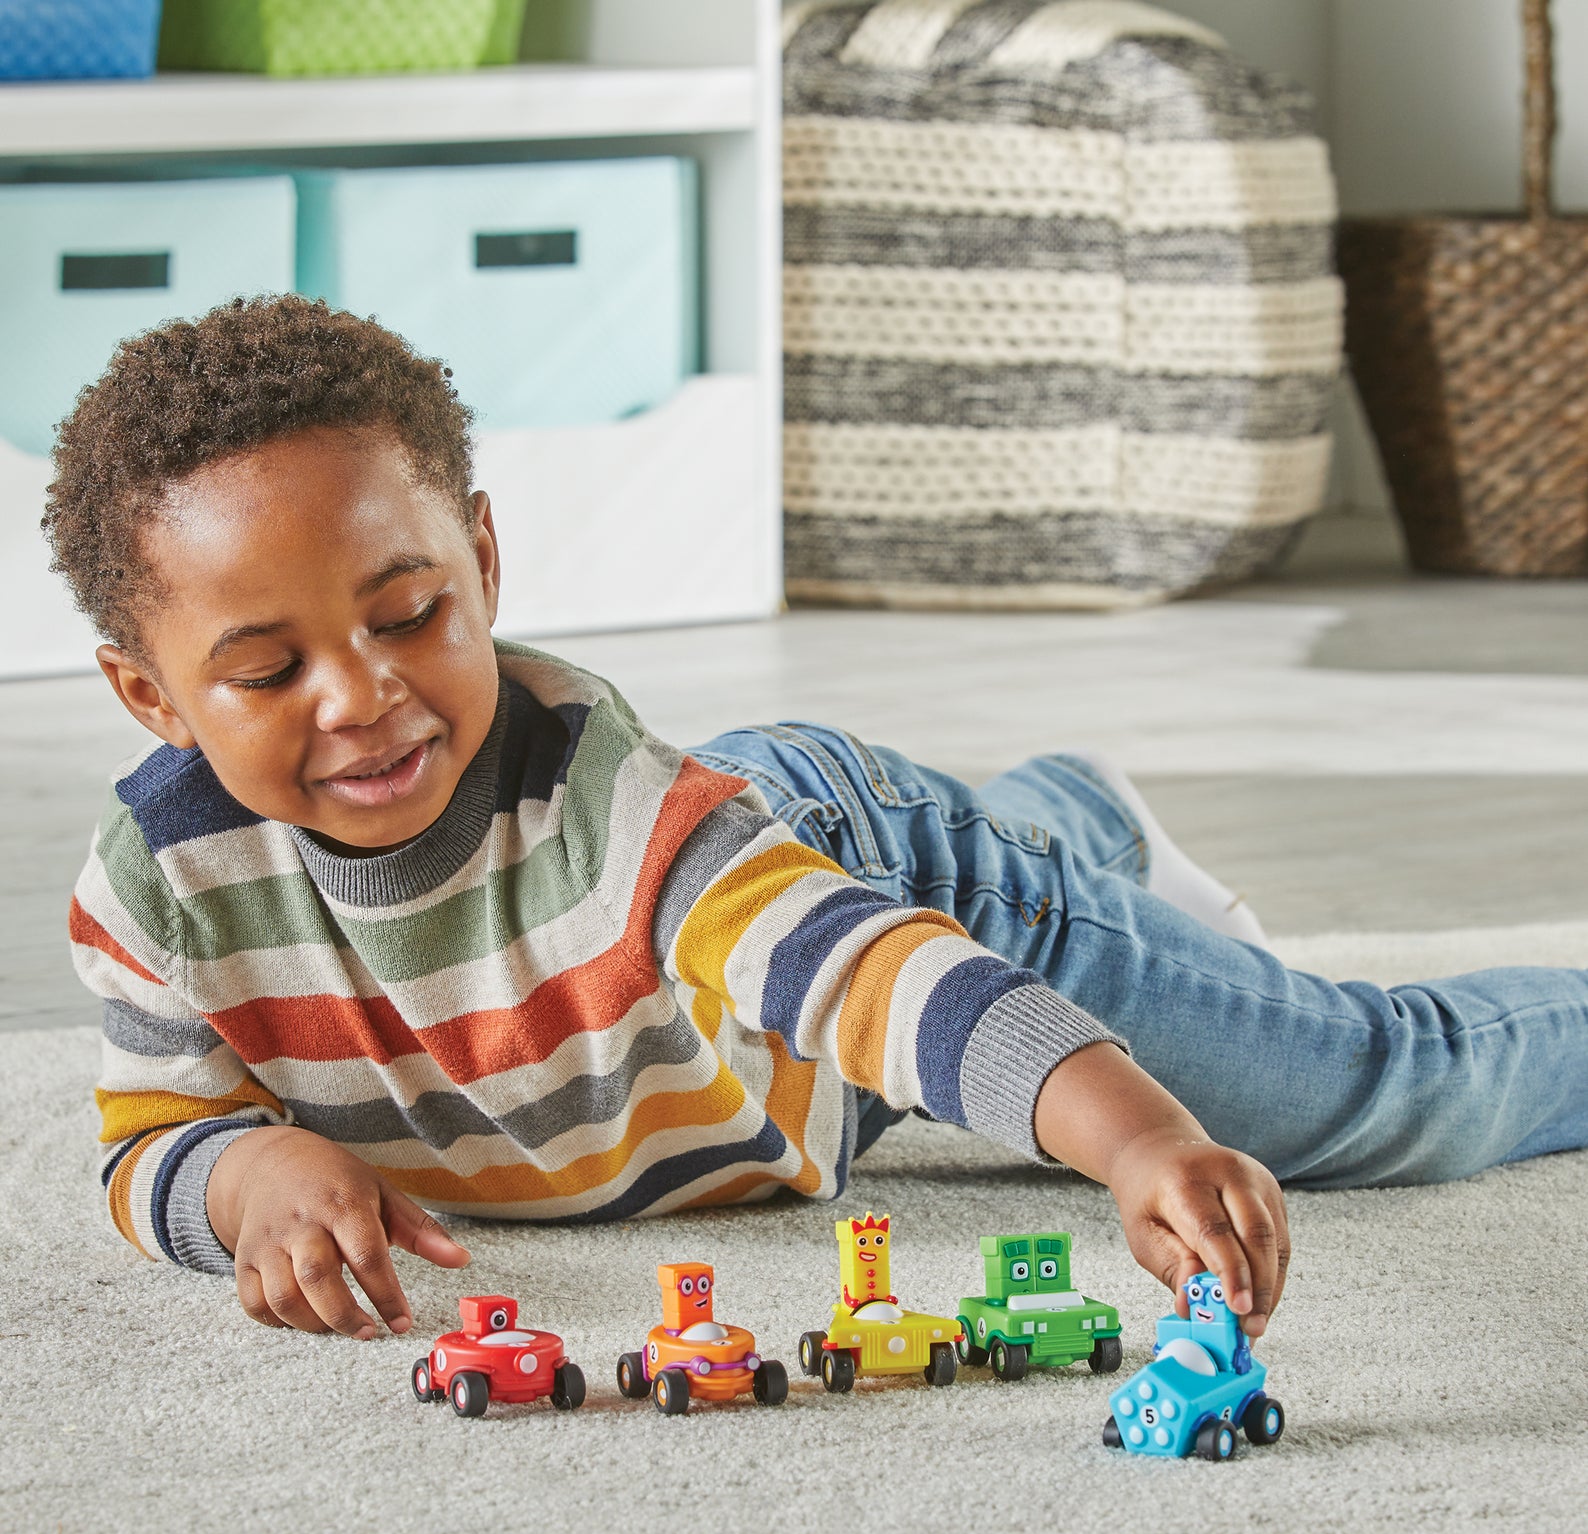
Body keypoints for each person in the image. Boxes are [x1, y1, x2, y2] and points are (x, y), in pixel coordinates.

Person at [51, 297, 1586, 1348]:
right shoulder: (161, 890)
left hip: (871, 882)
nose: (363, 694)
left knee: (1381, 1095)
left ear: (485, 561)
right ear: (151, 695)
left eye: (410, 611)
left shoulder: (619, 816)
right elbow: (152, 1139)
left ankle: (1032, 857)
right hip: (749, 1023)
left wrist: (1145, 1143)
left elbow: (872, 979)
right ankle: (1076, 811)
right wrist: (247, 1180)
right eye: (266, 671)